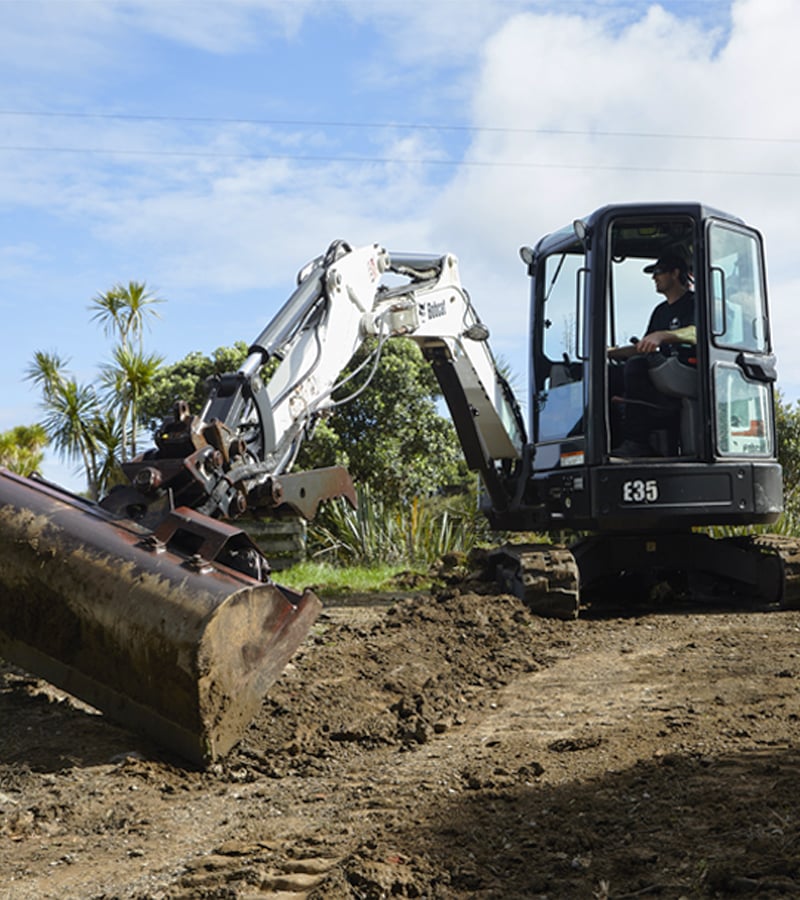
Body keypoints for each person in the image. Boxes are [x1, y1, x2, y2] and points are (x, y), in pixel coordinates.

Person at [608, 253, 696, 458]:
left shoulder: (695, 303)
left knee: (636, 367)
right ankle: (609, 442)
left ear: (675, 273)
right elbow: (644, 346)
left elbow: (696, 333)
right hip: (659, 373)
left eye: (658, 272)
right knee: (609, 375)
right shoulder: (660, 311)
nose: (654, 278)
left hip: (685, 374)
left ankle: (638, 443)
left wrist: (662, 336)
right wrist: (612, 352)